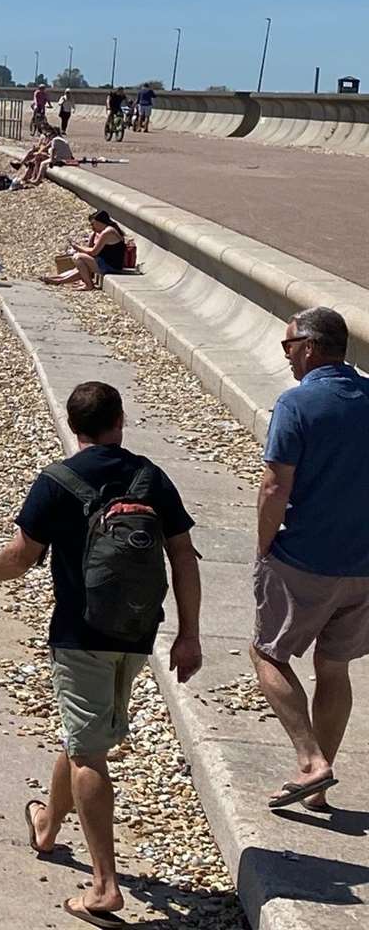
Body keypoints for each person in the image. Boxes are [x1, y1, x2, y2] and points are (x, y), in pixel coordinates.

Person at [0, 381, 201, 928]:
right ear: (120, 419)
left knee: (87, 755)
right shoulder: (150, 478)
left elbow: (21, 555)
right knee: (83, 735)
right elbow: (184, 558)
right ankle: (48, 825)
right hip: (138, 633)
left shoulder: (57, 482)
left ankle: (104, 887)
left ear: (75, 428)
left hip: (80, 635)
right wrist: (189, 634)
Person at [253, 306, 369, 812]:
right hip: (364, 562)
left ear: (310, 346)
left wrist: (263, 545)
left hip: (305, 559)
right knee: (334, 665)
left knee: (267, 653)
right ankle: (318, 790)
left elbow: (276, 485)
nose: (286, 357)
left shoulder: (297, 404)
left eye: (288, 347)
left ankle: (309, 761)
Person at [44, 210, 127, 290]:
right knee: (79, 268)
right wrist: (92, 237)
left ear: (99, 222)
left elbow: (93, 252)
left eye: (93, 224)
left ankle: (88, 284)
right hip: (102, 261)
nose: (92, 227)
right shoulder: (101, 232)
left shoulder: (108, 232)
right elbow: (90, 248)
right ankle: (58, 279)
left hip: (110, 266)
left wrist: (77, 247)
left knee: (78, 257)